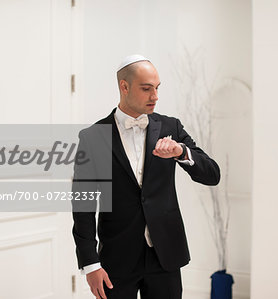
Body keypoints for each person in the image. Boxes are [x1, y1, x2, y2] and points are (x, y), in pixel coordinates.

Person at [72, 55, 220, 299]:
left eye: (157, 88)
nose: (155, 96)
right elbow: (83, 205)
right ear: (124, 87)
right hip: (116, 262)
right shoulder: (93, 137)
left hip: (166, 257)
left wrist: (181, 152)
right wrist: (91, 264)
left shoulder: (171, 127)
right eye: (146, 88)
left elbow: (212, 174)